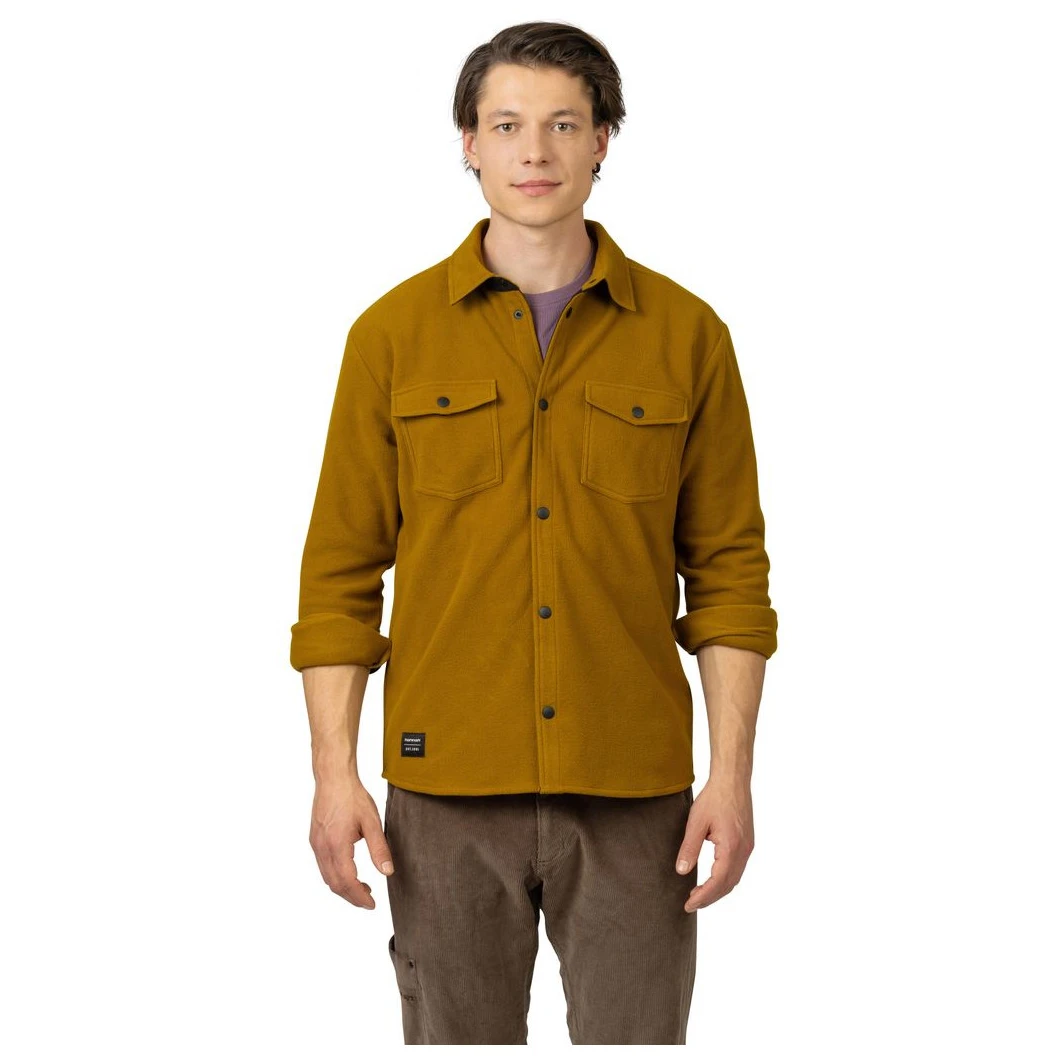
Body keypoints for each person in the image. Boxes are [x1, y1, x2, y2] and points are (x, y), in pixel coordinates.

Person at [289, 20, 778, 1045]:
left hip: (636, 792)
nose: (535, 151)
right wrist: (335, 775)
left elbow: (729, 575)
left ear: (603, 139)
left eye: (563, 123)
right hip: (445, 792)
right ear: (468, 142)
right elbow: (339, 577)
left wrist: (731, 777)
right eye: (507, 125)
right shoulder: (391, 337)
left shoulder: (688, 336)